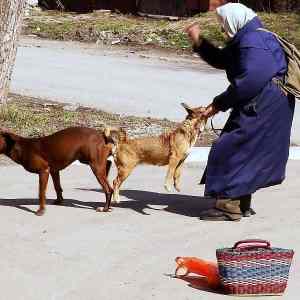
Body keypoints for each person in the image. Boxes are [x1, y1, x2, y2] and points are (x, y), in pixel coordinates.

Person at [185, 3, 295, 221]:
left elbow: (250, 80)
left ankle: (228, 206)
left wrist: (218, 104)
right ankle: (240, 202)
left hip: (265, 105)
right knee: (248, 150)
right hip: (264, 103)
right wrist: (199, 42)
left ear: (236, 21)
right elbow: (222, 59)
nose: (224, 30)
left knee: (232, 147)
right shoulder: (248, 38)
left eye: (224, 25)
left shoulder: (254, 42)